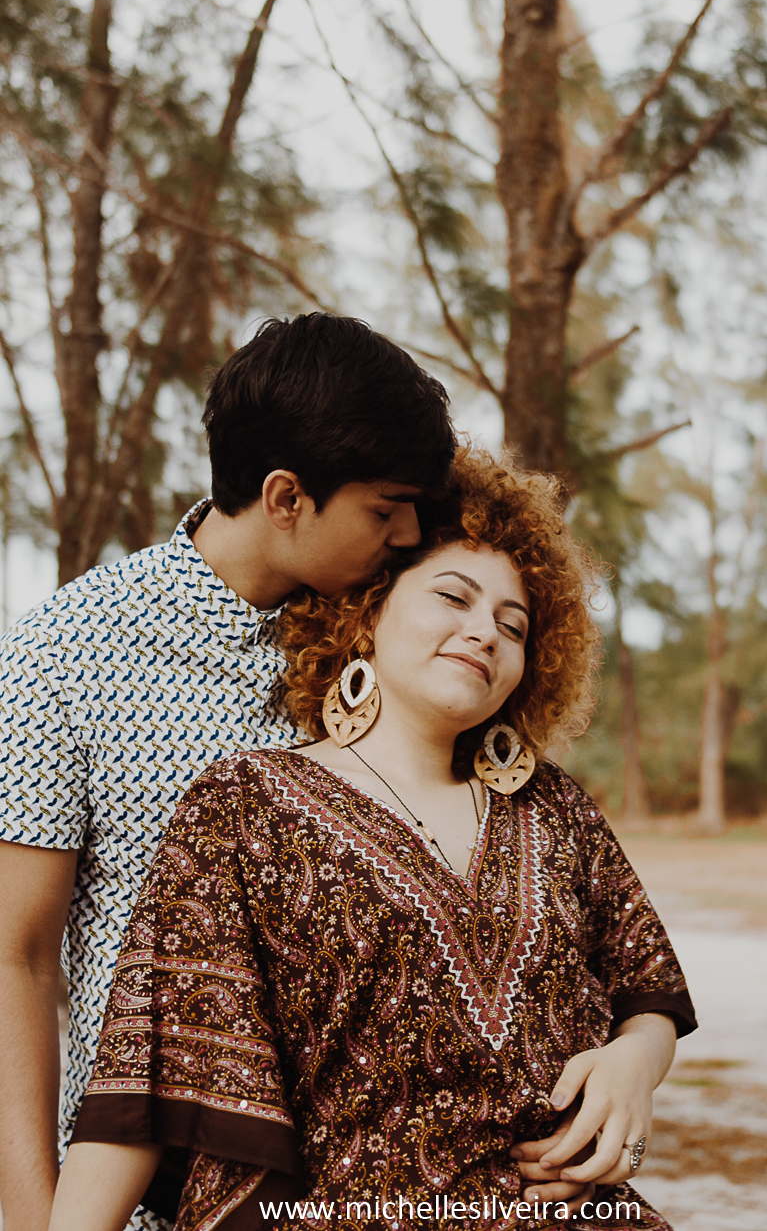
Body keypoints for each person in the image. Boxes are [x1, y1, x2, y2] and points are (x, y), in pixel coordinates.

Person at [49, 446, 697, 1231]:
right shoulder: (245, 808)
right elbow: (147, 1073)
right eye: (452, 598)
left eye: (513, 624)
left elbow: (646, 984)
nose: (483, 632)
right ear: (369, 609)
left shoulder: (552, 806)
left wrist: (637, 1065)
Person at [0, 312, 457, 1231]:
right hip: (145, 1199)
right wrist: (32, 1216)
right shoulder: (64, 654)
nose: (409, 532)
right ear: (286, 497)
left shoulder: (404, 634)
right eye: (384, 506)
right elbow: (15, 958)